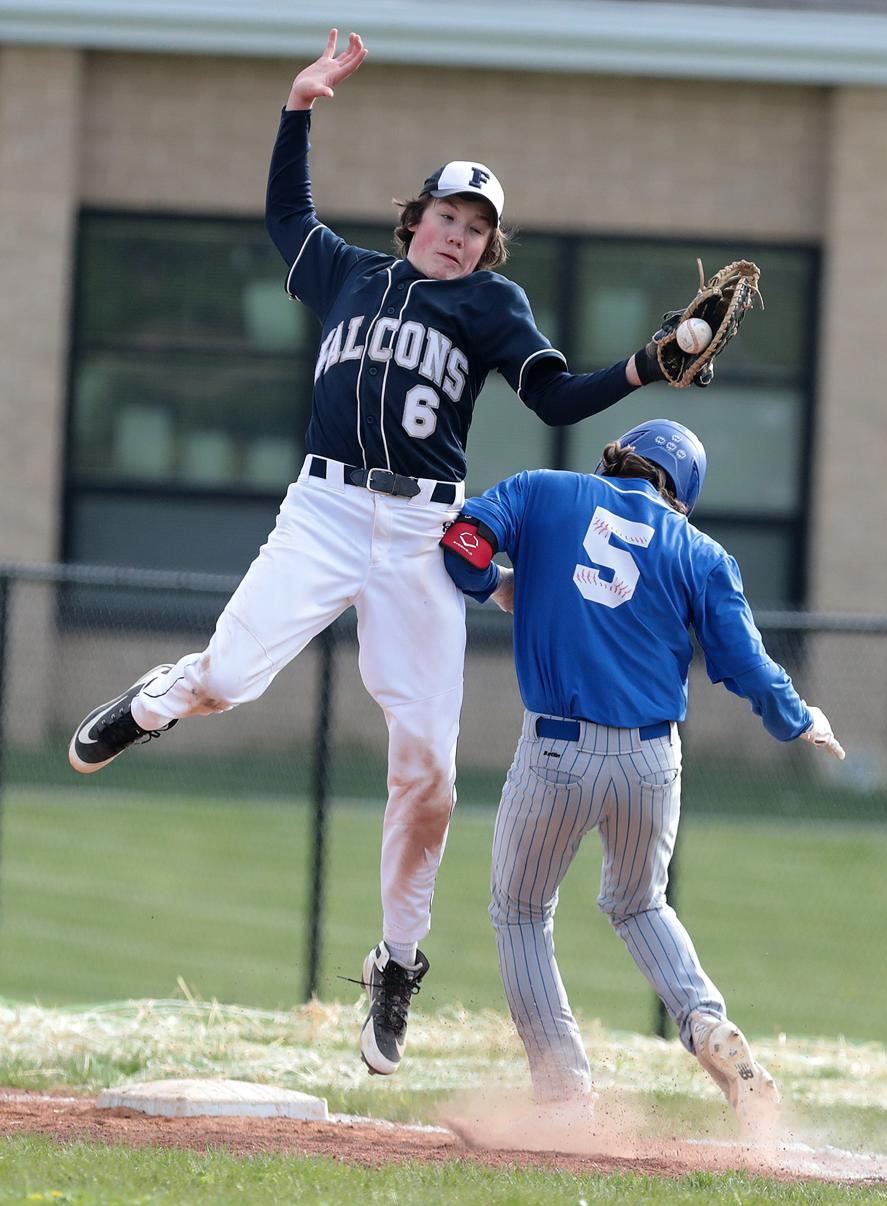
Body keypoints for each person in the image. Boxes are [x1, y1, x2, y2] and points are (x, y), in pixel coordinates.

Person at [66, 31, 679, 1078]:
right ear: (415, 220)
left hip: (421, 538)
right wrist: (298, 106)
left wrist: (646, 364)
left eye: (478, 227)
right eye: (447, 215)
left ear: (489, 248)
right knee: (228, 677)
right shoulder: (348, 274)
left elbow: (556, 397)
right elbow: (281, 219)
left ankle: (395, 966)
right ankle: (160, 698)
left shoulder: (492, 308)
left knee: (428, 772)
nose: (458, 235)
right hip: (323, 513)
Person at [440, 418, 845, 1135]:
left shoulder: (543, 491)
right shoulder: (701, 552)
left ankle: (564, 1095)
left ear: (616, 455)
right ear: (682, 492)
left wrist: (492, 584)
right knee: (639, 904)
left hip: (557, 751)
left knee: (522, 911)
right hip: (653, 761)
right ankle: (705, 1022)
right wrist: (800, 719)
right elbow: (747, 665)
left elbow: (462, 542)